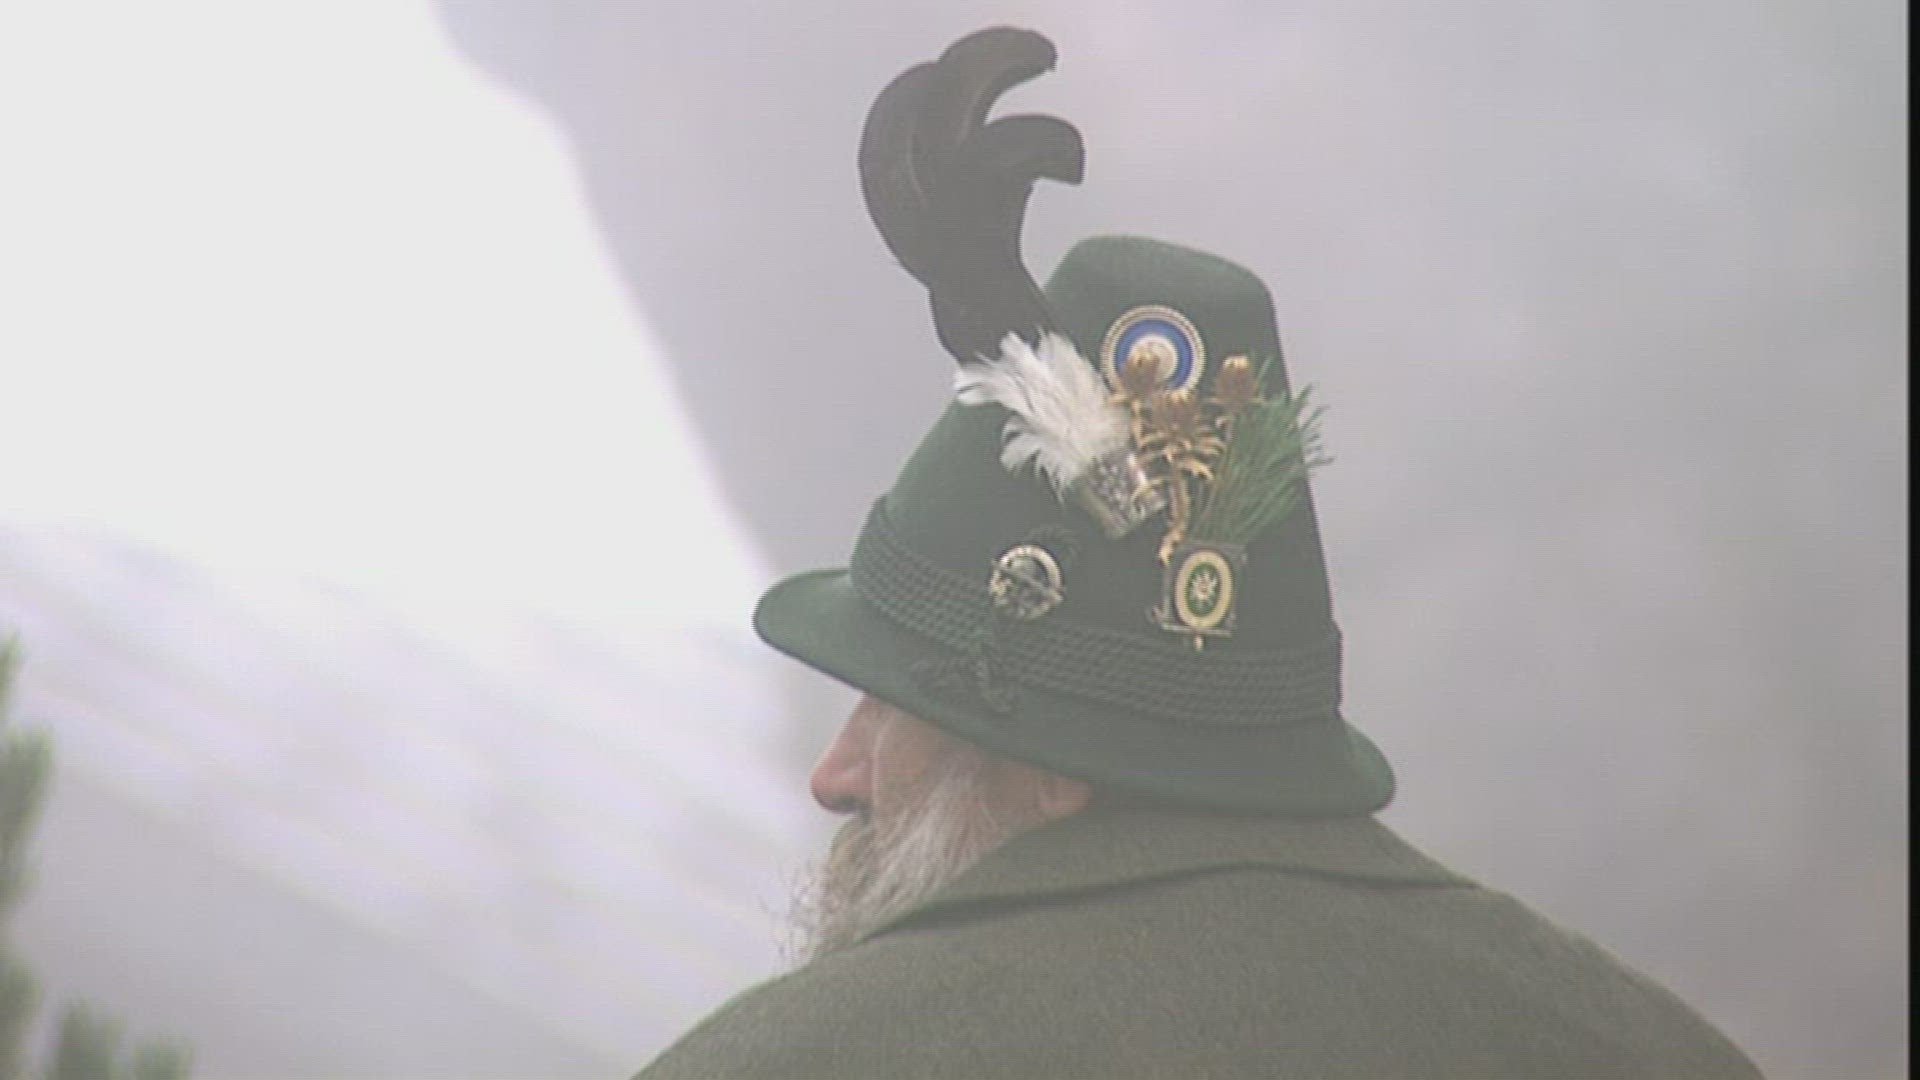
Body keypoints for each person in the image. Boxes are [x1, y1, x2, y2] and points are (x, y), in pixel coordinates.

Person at [634, 27, 1763, 1080]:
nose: (836, 774)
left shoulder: (794, 1062)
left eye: (889, 704)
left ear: (1053, 764)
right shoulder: (1650, 1049)